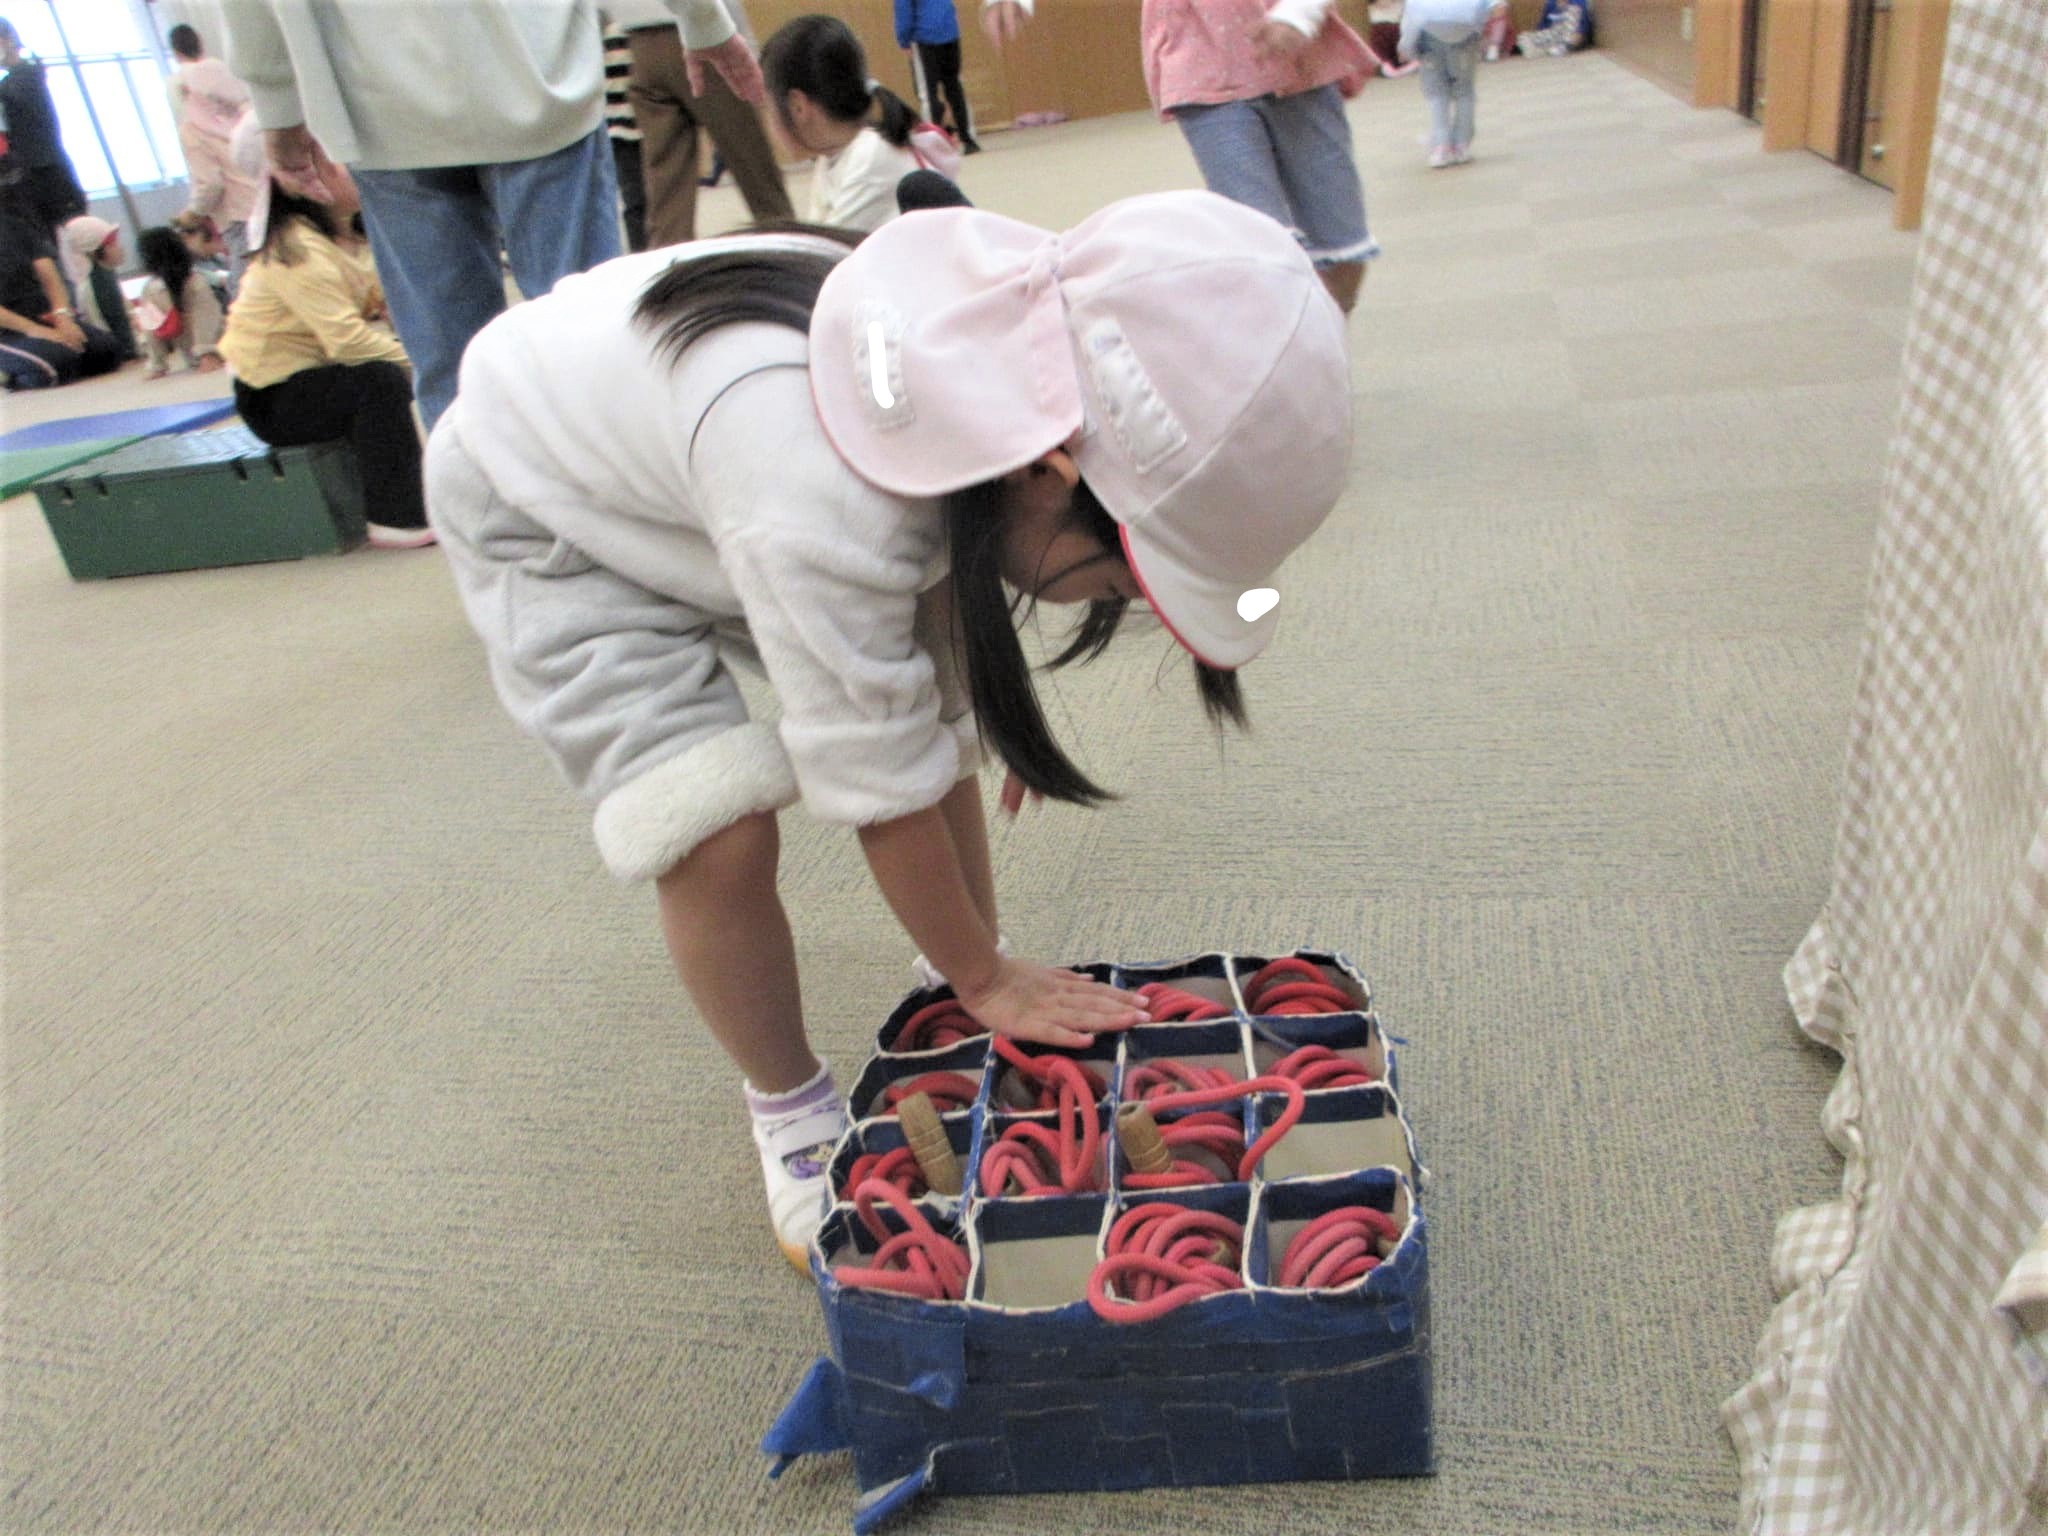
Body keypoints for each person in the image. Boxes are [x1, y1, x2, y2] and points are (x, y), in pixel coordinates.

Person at [424, 190, 1354, 1269]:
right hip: (544, 515)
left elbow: (928, 683)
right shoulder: (815, 489)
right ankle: (786, 1104)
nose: (1115, 607)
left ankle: (955, 970)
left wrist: (971, 950)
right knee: (712, 830)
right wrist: (987, 977)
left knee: (928, 706)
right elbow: (881, 777)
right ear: (1045, 472)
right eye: (1116, 582)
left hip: (700, 467)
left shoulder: (978, 365)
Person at [216, 0, 766, 432]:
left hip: (379, 97)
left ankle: (489, 528)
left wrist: (277, 105)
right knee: (585, 335)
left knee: (451, 368)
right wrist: (702, 17)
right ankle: (618, 516)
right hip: (535, 71)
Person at [979, 0, 1380, 314]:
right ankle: (1289, 363)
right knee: (1262, 246)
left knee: (1342, 246)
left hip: (1298, 54)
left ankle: (1324, 337)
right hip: (1202, 60)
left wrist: (1299, 13)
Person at [215, 161, 431, 549]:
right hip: (272, 398)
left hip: (316, 377)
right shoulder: (297, 248)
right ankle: (394, 518)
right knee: (379, 380)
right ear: (308, 184)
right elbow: (347, 342)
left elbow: (387, 296)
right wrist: (426, 362)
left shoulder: (350, 235)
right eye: (340, 166)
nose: (354, 171)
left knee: (389, 373)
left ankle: (422, 496)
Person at [612, 0, 793, 248]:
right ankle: (791, 252)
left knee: (668, 203)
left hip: (639, 44)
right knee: (760, 182)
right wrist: (744, 43)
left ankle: (670, 267)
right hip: (702, 33)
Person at [762, 15, 960, 235]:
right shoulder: (834, 157)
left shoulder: (870, 156)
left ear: (797, 106)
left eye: (768, 108)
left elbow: (826, 251)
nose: (768, 119)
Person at [0, 181, 123, 388]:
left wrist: (63, 317)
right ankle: (10, 375)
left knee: (107, 352)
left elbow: (49, 275)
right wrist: (32, 330)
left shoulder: (11, 225)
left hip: (41, 315)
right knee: (56, 367)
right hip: (7, 330)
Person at [0, 17, 86, 235]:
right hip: (31, 176)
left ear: (8, 40)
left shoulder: (27, 75)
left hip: (49, 173)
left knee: (82, 237)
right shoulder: (18, 78)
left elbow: (17, 95)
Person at [1399, 0, 1507, 166]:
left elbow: (1411, 15)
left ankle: (1441, 147)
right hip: (1465, 30)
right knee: (1464, 91)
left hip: (1428, 32)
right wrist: (1490, 36)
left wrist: (1406, 47)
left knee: (1437, 94)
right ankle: (1461, 145)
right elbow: (1499, 7)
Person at [134, 224, 225, 377]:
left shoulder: (149, 290)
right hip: (221, 348)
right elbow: (206, 318)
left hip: (192, 355)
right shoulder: (196, 280)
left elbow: (151, 330)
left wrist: (157, 365)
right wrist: (206, 352)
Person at [894, 0, 979, 154]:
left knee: (928, 92)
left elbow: (904, 11)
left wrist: (903, 40)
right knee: (954, 87)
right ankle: (968, 138)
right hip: (950, 31)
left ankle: (934, 145)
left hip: (924, 36)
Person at [57, 214, 138, 360]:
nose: (120, 248)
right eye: (112, 244)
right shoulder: (100, 283)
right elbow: (117, 323)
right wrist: (131, 350)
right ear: (94, 252)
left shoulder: (104, 276)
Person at [601, 19, 650, 251]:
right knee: (636, 201)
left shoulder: (637, 24)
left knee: (652, 200)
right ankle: (642, 254)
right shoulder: (603, 26)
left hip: (649, 124)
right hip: (620, 129)